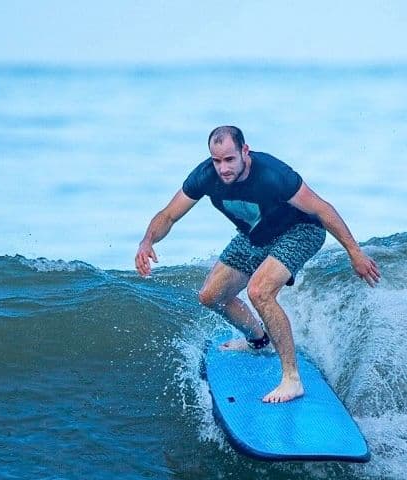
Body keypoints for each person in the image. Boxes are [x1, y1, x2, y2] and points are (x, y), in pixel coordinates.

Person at [135, 126, 380, 403]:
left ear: (244, 151)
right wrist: (147, 241)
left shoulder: (274, 175)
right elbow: (168, 215)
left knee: (259, 292)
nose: (223, 168)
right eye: (217, 161)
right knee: (210, 296)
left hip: (300, 230)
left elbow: (322, 209)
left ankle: (292, 379)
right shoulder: (205, 177)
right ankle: (258, 340)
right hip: (255, 234)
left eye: (229, 159)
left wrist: (354, 252)